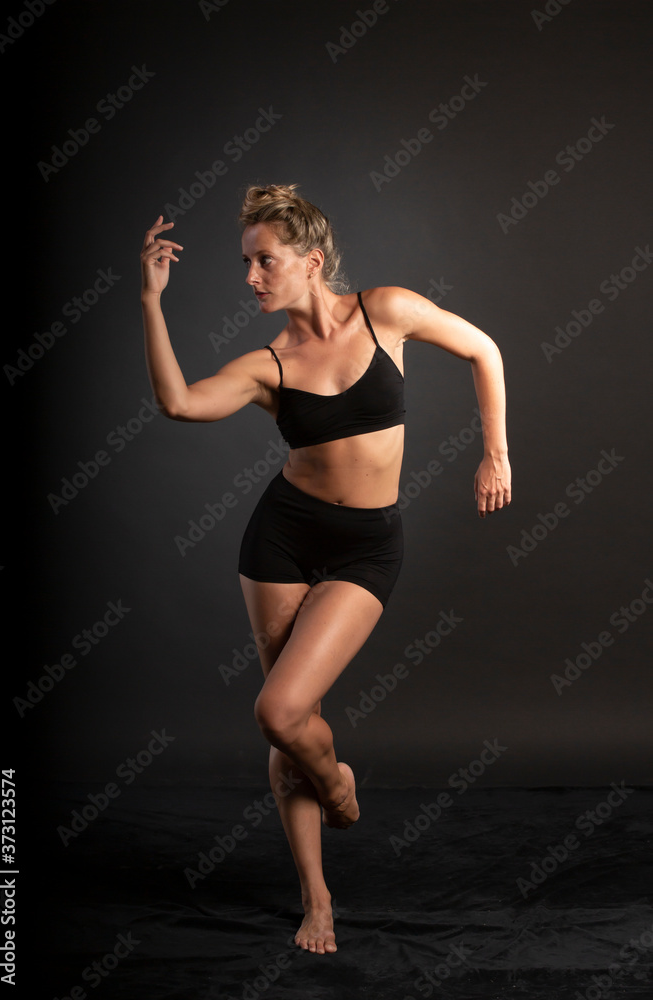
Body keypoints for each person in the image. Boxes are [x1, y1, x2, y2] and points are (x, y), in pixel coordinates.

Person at [140, 183, 511, 955]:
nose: (250, 277)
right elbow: (177, 404)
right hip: (279, 541)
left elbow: (484, 349)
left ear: (311, 262)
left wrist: (494, 454)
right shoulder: (267, 365)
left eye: (263, 262)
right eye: (246, 263)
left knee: (279, 712)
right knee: (288, 729)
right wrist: (151, 300)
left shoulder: (389, 311)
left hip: (365, 546)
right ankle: (317, 897)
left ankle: (339, 785)